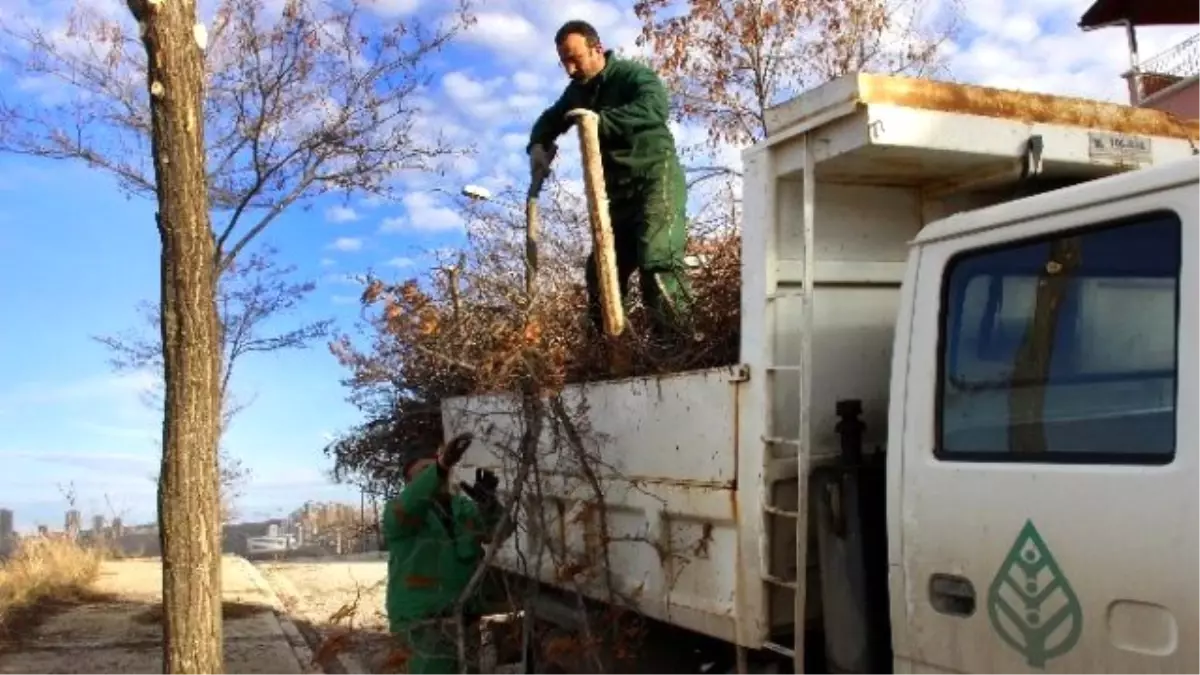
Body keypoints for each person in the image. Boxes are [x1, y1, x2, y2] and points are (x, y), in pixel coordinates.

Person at [528, 19, 692, 341]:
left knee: (658, 261)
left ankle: (677, 347)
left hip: (654, 181)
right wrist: (537, 145)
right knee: (602, 273)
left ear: (597, 49)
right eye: (564, 61)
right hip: (615, 197)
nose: (570, 68)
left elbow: (653, 108)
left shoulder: (633, 76)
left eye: (575, 58)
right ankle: (611, 352)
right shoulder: (576, 92)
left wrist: (596, 123)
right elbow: (549, 119)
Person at [382, 432, 504, 675]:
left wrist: (490, 506)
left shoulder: (462, 508)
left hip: (463, 618)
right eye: (424, 472)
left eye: (435, 469)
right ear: (410, 481)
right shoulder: (400, 513)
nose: (435, 476)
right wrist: (440, 465)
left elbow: (499, 533)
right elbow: (412, 502)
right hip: (423, 624)